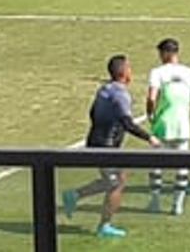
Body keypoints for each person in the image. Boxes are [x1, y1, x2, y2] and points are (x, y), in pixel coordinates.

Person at [62, 54, 159, 240]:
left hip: (95, 142)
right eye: (129, 68)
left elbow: (92, 113)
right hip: (106, 147)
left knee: (117, 179)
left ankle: (74, 195)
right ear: (124, 73)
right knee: (115, 184)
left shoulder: (104, 89)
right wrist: (149, 138)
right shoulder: (121, 95)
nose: (131, 72)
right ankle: (103, 226)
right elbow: (127, 123)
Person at [145, 37, 190, 215]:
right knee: (182, 166)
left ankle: (155, 202)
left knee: (156, 164)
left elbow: (151, 97)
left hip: (162, 124)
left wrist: (150, 113)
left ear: (164, 53)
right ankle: (177, 205)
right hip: (182, 126)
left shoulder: (158, 72)